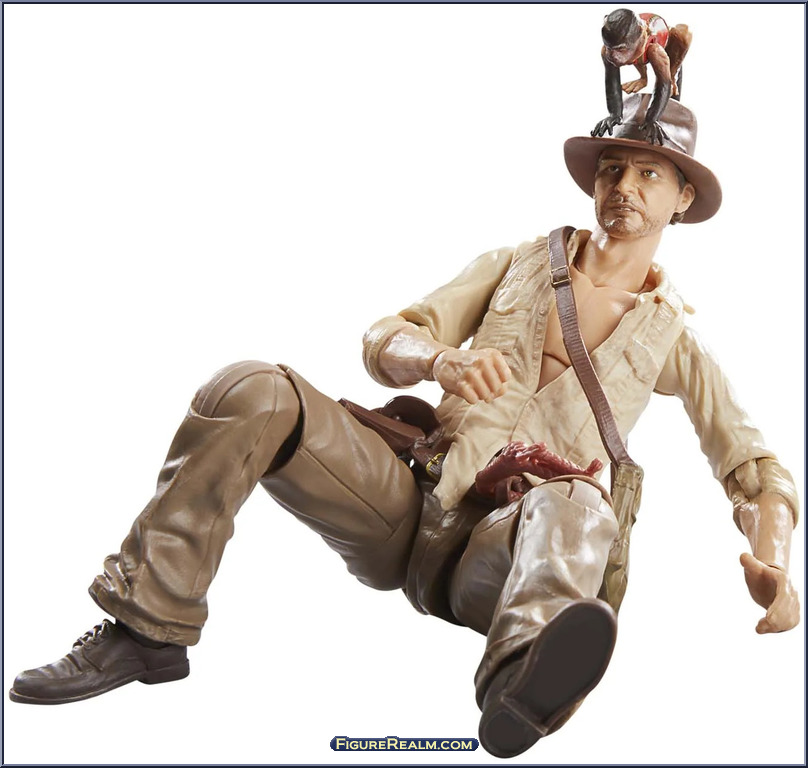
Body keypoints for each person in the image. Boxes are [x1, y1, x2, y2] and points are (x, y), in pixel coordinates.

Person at [9, 93, 800, 759]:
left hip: (507, 556)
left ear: (682, 198)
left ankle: (523, 679)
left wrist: (773, 562)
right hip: (409, 499)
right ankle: (147, 626)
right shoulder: (517, 264)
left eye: (649, 173)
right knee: (252, 387)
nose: (624, 186)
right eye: (613, 169)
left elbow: (752, 465)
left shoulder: (673, 340)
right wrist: (439, 361)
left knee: (579, 504)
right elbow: (384, 337)